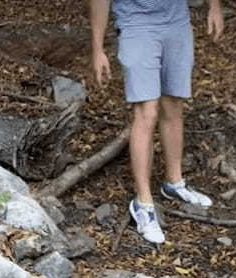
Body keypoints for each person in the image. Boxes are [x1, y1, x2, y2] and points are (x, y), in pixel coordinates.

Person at [89, 0, 224, 244]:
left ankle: (174, 182)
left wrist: (214, 7)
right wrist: (97, 48)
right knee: (147, 111)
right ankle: (143, 202)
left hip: (177, 20)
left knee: (173, 104)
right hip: (136, 23)